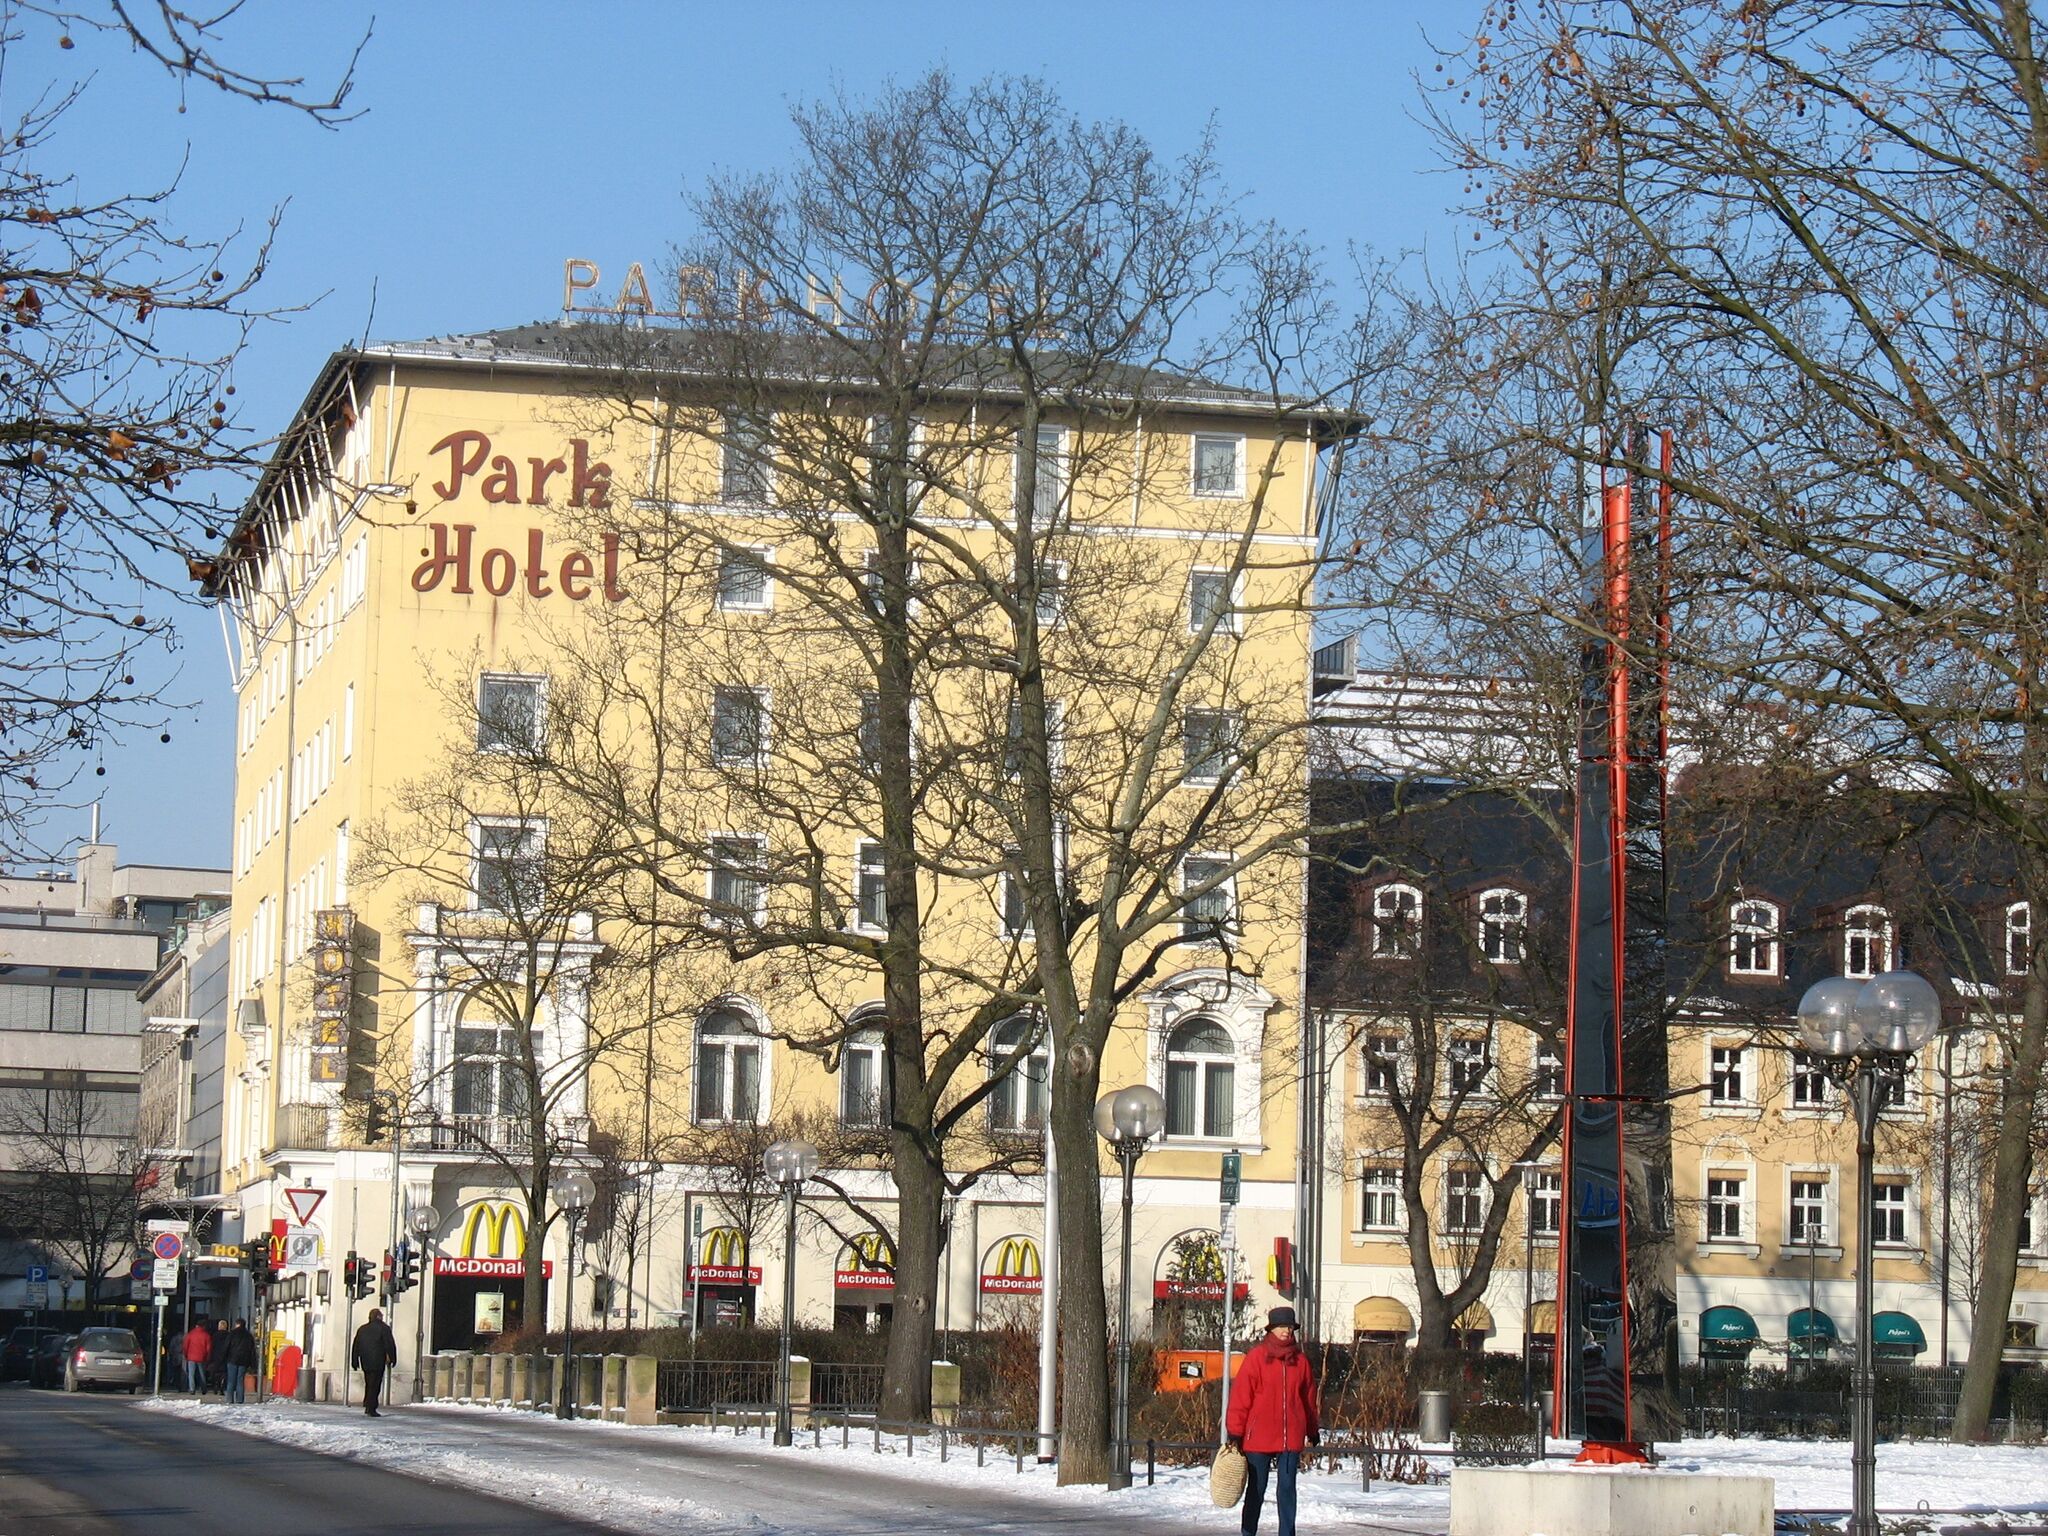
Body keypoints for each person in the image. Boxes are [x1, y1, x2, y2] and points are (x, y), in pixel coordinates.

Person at [1226, 1306, 1320, 1536]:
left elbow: (1308, 1400)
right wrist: (1235, 1431)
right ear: (1271, 1329)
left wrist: (1312, 1429)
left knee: (1287, 1490)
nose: (1286, 1331)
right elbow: (1241, 1396)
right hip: (1258, 1438)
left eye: (1290, 1326)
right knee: (1256, 1490)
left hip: (1290, 1437)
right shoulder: (1256, 1358)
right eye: (1281, 1326)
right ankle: (1248, 1532)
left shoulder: (1300, 1361)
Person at [351, 1307, 398, 1416]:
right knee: (375, 1384)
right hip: (378, 1361)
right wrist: (393, 1358)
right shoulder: (384, 1328)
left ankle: (368, 1403)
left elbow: (356, 1346)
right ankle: (371, 1406)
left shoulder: (362, 1329)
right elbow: (389, 1344)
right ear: (379, 1317)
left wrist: (355, 1361)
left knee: (369, 1383)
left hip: (365, 1361)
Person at [219, 1319, 258, 1404]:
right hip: (244, 1361)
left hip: (232, 1359)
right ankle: (240, 1399)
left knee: (231, 1380)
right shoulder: (248, 1336)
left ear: (237, 1324)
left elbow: (226, 1346)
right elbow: (252, 1351)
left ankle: (229, 1399)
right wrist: (253, 1364)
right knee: (240, 1380)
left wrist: (222, 1358)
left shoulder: (232, 1334)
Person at [180, 1318, 214, 1395]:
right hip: (202, 1357)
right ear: (204, 1326)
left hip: (191, 1357)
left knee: (191, 1374)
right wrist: (208, 1357)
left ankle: (192, 1389)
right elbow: (209, 1348)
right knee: (202, 1373)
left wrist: (186, 1354)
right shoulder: (206, 1335)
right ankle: (203, 1388)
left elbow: (185, 1346)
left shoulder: (190, 1334)